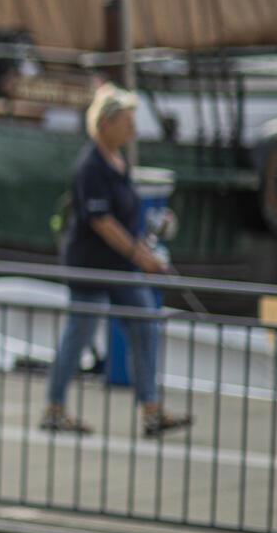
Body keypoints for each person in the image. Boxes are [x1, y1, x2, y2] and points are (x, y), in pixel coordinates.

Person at [41, 86, 193, 437]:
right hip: (93, 267)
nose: (133, 129)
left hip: (120, 267)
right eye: (127, 121)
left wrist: (144, 247)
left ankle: (151, 409)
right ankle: (54, 407)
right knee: (78, 335)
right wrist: (141, 257)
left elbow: (124, 218)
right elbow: (102, 221)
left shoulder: (118, 161)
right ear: (106, 124)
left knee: (145, 326)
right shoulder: (90, 167)